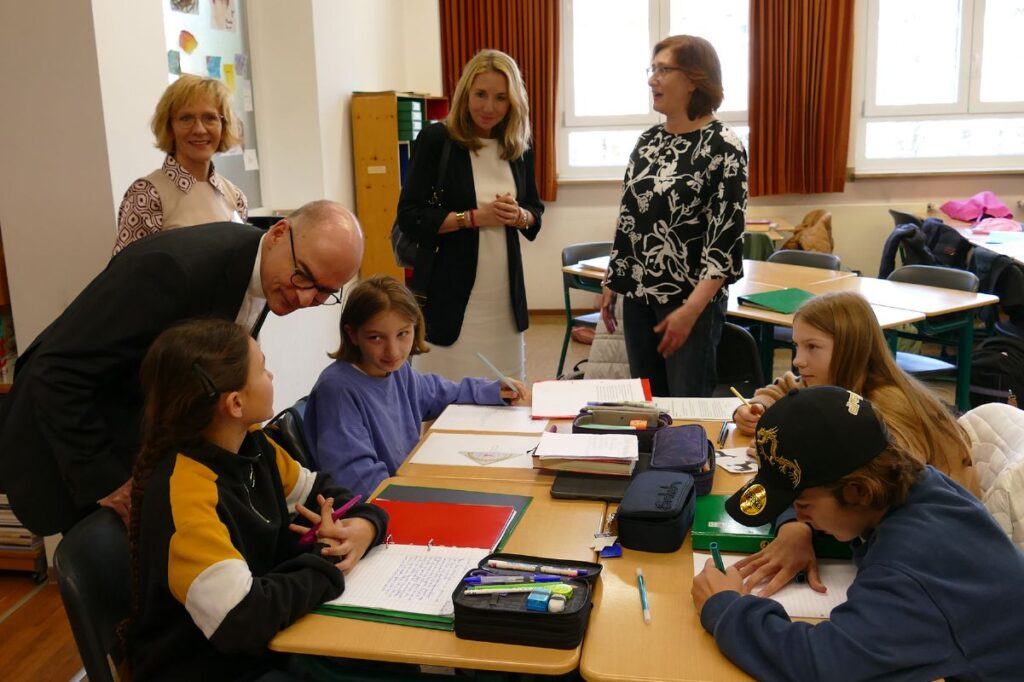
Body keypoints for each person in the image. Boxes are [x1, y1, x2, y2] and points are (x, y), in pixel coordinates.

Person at [0, 200, 363, 536]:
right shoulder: (173, 271)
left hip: (138, 442)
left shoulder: (268, 271)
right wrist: (106, 481)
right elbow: (59, 369)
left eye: (322, 292)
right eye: (303, 277)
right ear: (280, 234)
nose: (304, 297)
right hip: (73, 446)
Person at [691, 386, 1024, 682]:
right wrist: (798, 524)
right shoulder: (920, 482)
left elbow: (820, 666)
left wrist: (726, 609)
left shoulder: (911, 570)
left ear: (857, 492)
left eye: (803, 504)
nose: (800, 515)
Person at [123, 319, 387, 681]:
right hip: (214, 667)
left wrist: (363, 526)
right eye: (262, 369)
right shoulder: (186, 491)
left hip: (268, 645)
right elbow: (241, 619)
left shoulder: (253, 444)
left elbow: (328, 495)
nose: (272, 377)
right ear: (235, 403)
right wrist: (327, 555)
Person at [601, 35, 747, 397]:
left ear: (695, 79)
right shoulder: (648, 141)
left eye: (663, 70)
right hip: (638, 298)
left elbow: (724, 242)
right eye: (652, 70)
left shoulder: (723, 146)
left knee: (685, 410)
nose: (653, 79)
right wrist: (612, 280)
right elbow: (630, 219)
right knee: (648, 405)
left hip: (688, 304)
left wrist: (691, 311)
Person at [305, 275, 528, 497]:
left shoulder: (397, 371)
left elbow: (439, 393)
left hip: (402, 487)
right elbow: (357, 480)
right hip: (373, 510)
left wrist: (491, 390)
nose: (393, 351)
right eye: (376, 338)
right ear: (352, 334)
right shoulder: (337, 390)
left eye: (403, 334)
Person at [396, 48, 543, 382]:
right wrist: (474, 218)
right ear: (465, 93)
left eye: (501, 98)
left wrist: (519, 215)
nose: (489, 107)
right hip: (450, 296)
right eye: (481, 94)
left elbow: (535, 212)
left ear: (513, 102)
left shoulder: (519, 147)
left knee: (504, 395)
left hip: (503, 302)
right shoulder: (437, 139)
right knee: (445, 396)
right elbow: (410, 216)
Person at [114, 74, 247, 254]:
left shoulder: (236, 198)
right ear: (169, 126)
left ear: (223, 125)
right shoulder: (147, 195)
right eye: (186, 118)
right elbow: (126, 275)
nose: (199, 129)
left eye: (210, 118)